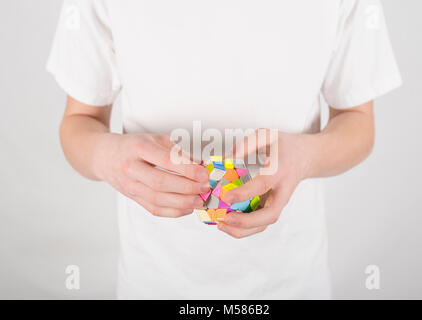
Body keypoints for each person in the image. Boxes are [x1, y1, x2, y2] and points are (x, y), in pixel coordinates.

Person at [47, 0, 402, 299]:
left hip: (291, 281)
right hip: (153, 282)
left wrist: (305, 157)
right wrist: (108, 157)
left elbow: (358, 121)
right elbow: (79, 122)